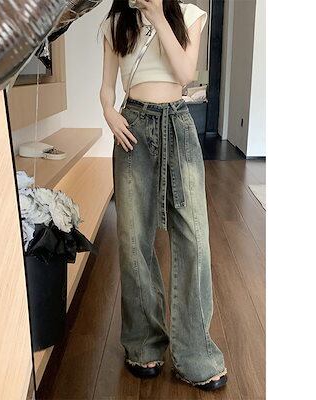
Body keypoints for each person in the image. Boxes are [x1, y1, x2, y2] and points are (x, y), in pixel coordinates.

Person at [99, 0, 227, 391]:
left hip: (178, 124)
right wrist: (109, 113)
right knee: (133, 241)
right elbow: (106, 88)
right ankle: (143, 344)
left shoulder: (190, 15)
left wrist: (157, 14)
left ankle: (195, 354)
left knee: (194, 239)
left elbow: (185, 74)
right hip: (132, 129)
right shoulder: (116, 22)